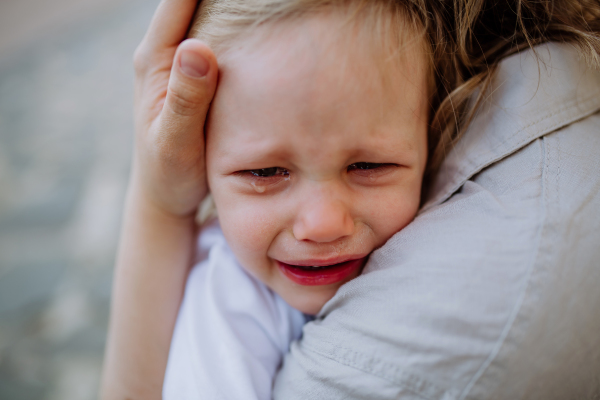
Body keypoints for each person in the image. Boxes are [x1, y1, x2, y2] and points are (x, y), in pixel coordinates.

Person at [100, 0, 600, 399]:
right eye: (263, 172)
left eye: (368, 166)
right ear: (201, 163)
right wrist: (162, 203)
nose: (321, 224)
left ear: (436, 137)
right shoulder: (229, 319)